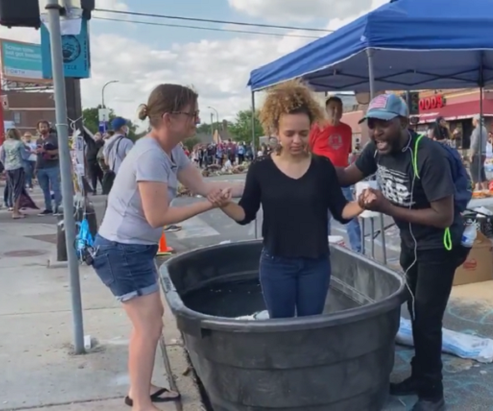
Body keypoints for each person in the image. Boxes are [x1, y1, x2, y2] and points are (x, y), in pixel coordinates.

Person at [92, 84, 242, 411]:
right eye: (192, 114)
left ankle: (140, 388)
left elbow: (203, 186)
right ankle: (140, 402)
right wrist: (208, 206)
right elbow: (157, 215)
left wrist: (264, 183)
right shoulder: (149, 156)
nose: (196, 120)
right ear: (168, 117)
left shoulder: (172, 150)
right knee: (149, 327)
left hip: (133, 249)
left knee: (151, 321)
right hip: (120, 250)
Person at [335, 93, 472, 411]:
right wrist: (309, 162)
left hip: (439, 246)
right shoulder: (376, 151)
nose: (377, 131)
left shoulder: (428, 155)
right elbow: (346, 175)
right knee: (414, 313)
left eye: (385, 123)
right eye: (372, 124)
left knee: (427, 320)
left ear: (404, 123)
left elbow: (443, 216)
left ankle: (432, 395)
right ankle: (419, 376)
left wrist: (386, 205)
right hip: (411, 245)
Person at [209, 81, 364, 319]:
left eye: (303, 133)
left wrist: (363, 203)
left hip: (316, 265)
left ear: (312, 128)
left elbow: (341, 211)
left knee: (310, 329)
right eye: (289, 133)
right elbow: (245, 214)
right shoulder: (260, 169)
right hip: (276, 265)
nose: (297, 140)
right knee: (280, 329)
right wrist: (224, 205)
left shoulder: (323, 168)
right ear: (275, 132)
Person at [309, 95, 363, 253]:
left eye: (339, 108)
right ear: (326, 110)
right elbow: (308, 150)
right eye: (332, 108)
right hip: (319, 178)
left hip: (341, 178)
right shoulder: (317, 127)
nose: (336, 111)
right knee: (322, 217)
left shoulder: (347, 129)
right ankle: (323, 249)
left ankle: (358, 251)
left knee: (351, 216)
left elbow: (346, 152)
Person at [0, 128, 38, 219]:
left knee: (12, 188)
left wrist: (5, 165)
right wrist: (31, 152)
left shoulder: (5, 143)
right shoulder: (19, 143)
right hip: (17, 167)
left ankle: (14, 208)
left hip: (8, 168)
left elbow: (1, 156)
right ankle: (15, 211)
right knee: (18, 189)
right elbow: (24, 156)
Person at [35, 120, 62, 215]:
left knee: (56, 187)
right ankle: (48, 208)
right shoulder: (38, 140)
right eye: (41, 127)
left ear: (48, 128)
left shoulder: (53, 138)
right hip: (40, 166)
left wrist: (46, 151)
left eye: (44, 126)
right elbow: (38, 152)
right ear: (38, 129)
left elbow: (60, 150)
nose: (43, 128)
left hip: (53, 166)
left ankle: (58, 207)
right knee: (44, 189)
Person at [101, 117, 134, 194]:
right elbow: (131, 160)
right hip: (124, 177)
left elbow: (106, 162)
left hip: (111, 176)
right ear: (123, 128)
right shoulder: (127, 142)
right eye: (125, 126)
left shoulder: (108, 142)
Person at [469, 115, 488, 191]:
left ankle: (478, 191)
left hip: (477, 154)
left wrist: (471, 155)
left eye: (473, 120)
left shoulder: (476, 130)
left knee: (475, 173)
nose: (472, 122)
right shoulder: (484, 129)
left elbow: (475, 143)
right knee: (482, 172)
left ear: (476, 121)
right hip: (483, 153)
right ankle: (485, 189)